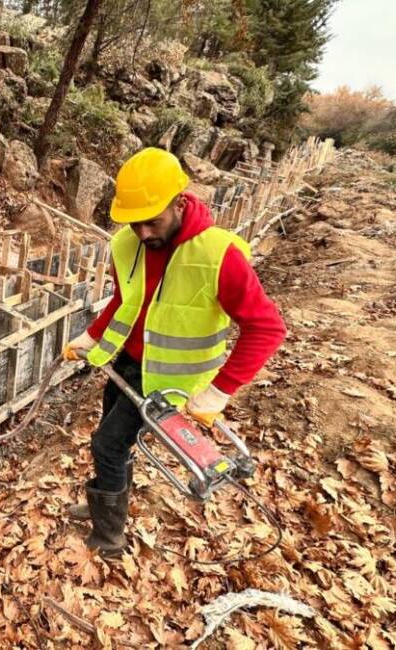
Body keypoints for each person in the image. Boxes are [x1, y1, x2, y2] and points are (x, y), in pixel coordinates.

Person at [62, 148, 287, 556]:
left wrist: (221, 390)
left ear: (180, 203)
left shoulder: (218, 255)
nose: (144, 233)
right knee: (112, 441)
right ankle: (106, 508)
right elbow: (125, 300)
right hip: (129, 363)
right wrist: (93, 336)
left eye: (153, 221)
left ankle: (109, 538)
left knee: (107, 445)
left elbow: (267, 327)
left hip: (170, 379)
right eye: (135, 224)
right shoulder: (127, 246)